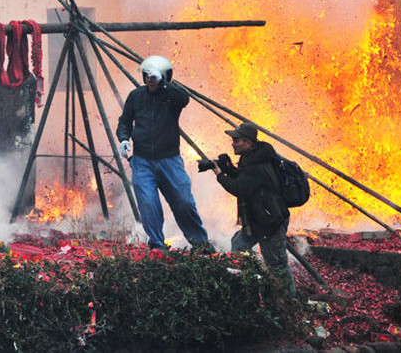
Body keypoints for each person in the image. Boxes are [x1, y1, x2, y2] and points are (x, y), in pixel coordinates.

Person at [116, 55, 212, 252]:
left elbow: (184, 99)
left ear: (164, 77)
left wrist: (164, 84)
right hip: (142, 162)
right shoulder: (136, 96)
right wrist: (124, 138)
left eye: (154, 77)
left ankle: (200, 243)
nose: (150, 80)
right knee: (148, 205)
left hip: (170, 160)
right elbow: (124, 121)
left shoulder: (172, 97)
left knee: (184, 202)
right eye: (147, 76)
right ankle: (158, 245)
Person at [212, 121, 295, 295]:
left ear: (248, 143)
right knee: (238, 244)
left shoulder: (256, 164)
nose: (233, 143)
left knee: (277, 265)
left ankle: (290, 301)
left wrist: (220, 176)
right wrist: (230, 170)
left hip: (269, 222)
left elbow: (240, 188)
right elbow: (247, 182)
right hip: (258, 220)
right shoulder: (252, 159)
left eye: (237, 140)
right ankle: (245, 284)